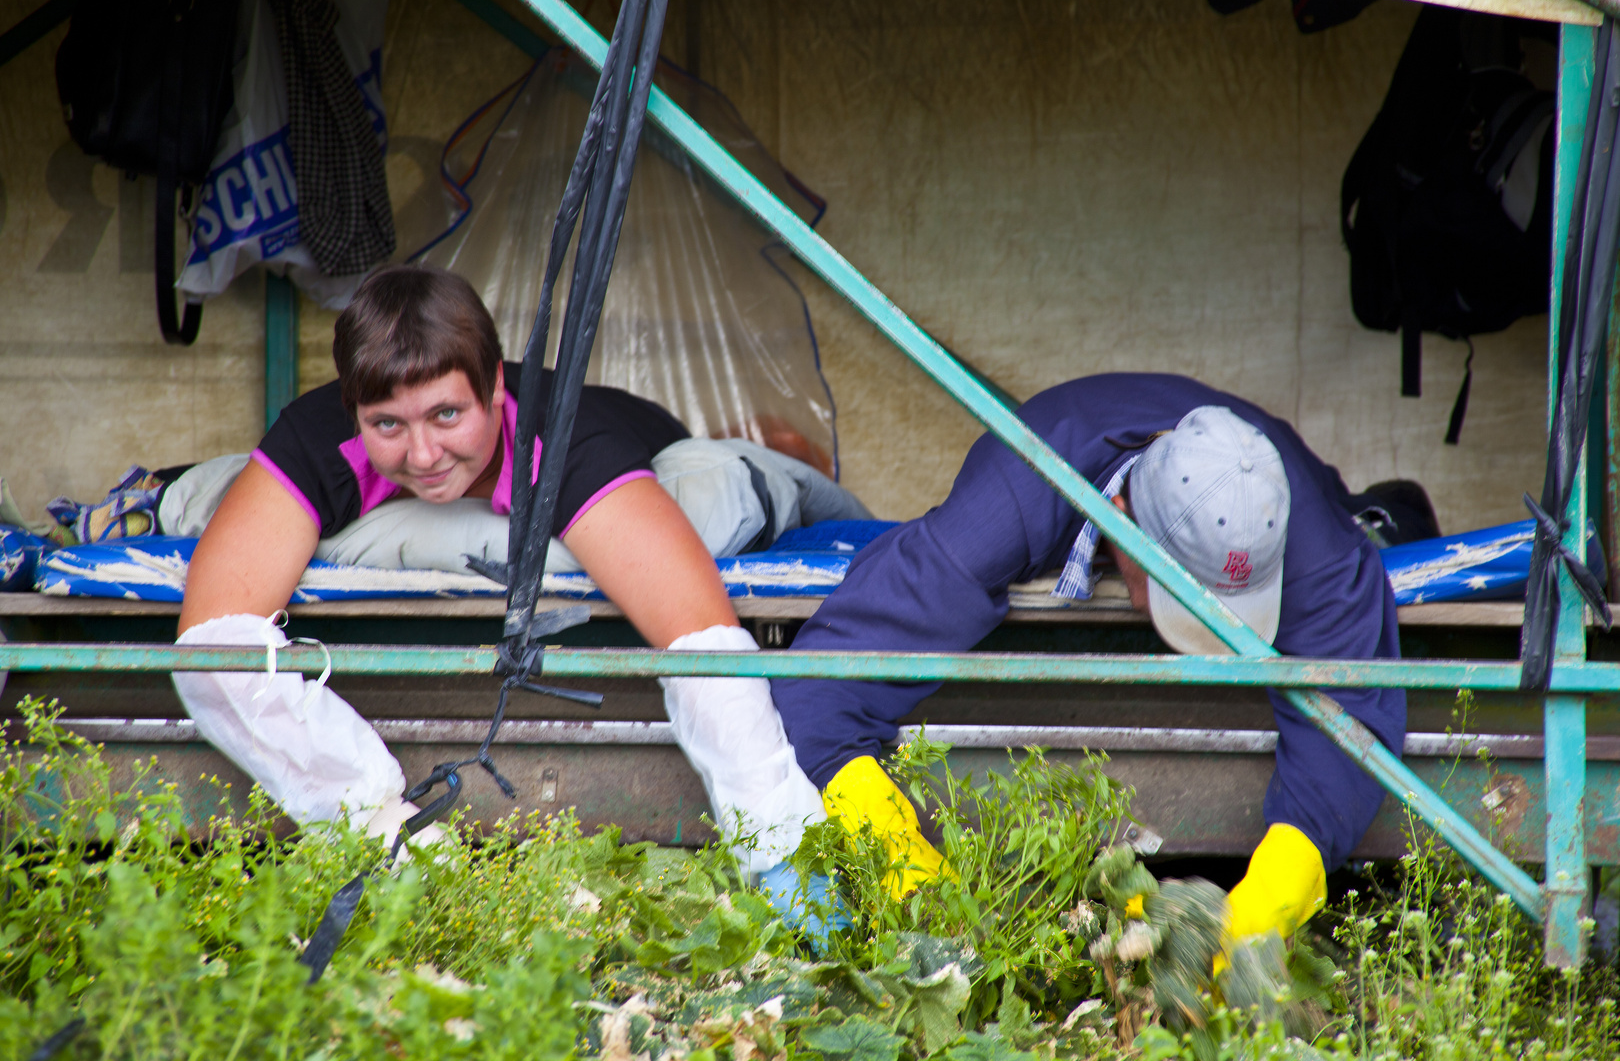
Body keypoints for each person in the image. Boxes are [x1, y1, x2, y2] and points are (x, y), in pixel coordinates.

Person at [170, 263, 861, 875]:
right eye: (387, 425)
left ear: (494, 389)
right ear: (352, 410)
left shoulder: (568, 443)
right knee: (193, 501)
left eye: (447, 414)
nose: (422, 454)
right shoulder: (316, 435)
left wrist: (780, 850)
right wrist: (373, 815)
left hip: (655, 446)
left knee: (748, 480)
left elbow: (702, 644)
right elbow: (213, 645)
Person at [771, 374, 1409, 945]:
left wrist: (1279, 883)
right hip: (1061, 438)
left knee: (1397, 516)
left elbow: (1354, 711)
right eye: (1185, 598)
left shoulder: (1310, 541)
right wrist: (896, 853)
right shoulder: (1016, 489)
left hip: (1300, 470)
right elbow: (819, 684)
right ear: (1120, 517)